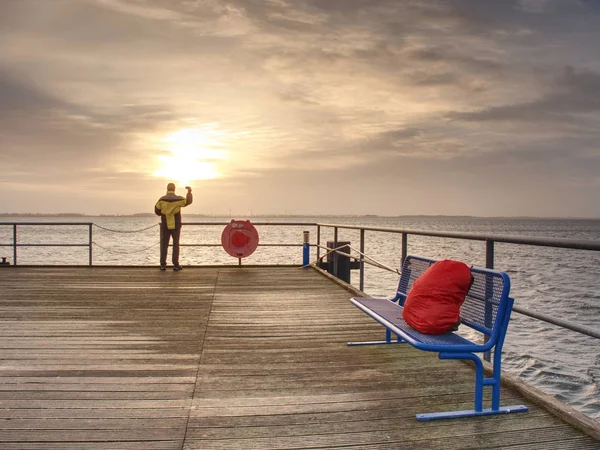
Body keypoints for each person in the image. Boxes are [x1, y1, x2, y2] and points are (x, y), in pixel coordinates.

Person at [154, 183, 193, 271]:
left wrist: (164, 214)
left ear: (167, 189)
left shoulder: (161, 200)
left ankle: (163, 265)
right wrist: (189, 192)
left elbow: (156, 211)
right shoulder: (178, 199)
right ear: (174, 189)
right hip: (176, 225)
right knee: (176, 245)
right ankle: (175, 265)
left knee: (164, 245)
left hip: (165, 225)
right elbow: (188, 201)